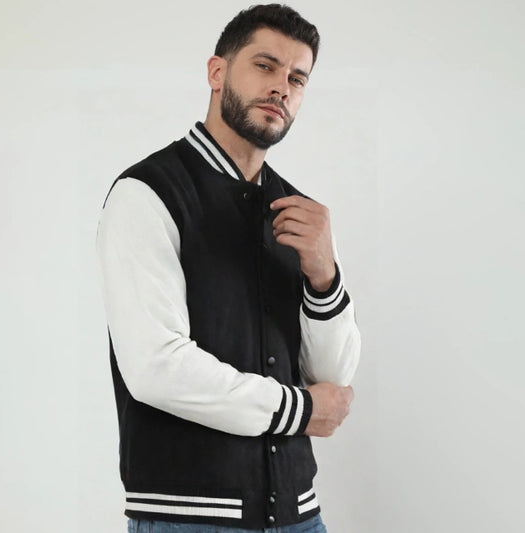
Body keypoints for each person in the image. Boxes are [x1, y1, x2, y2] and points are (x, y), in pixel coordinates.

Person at [97, 4, 361, 532]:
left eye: (297, 78)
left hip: (300, 515)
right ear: (217, 72)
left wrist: (324, 277)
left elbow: (331, 380)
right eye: (265, 66)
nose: (281, 87)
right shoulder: (148, 194)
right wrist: (297, 411)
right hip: (188, 518)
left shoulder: (299, 212)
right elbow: (156, 368)